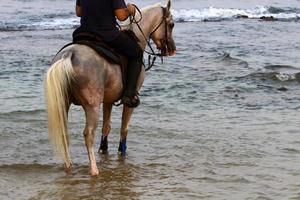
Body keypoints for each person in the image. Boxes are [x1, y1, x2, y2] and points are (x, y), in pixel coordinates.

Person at [74, 0, 143, 107]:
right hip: (106, 34)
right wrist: (130, 10)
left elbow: (79, 12)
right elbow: (121, 16)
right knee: (137, 53)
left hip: (84, 32)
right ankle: (129, 94)